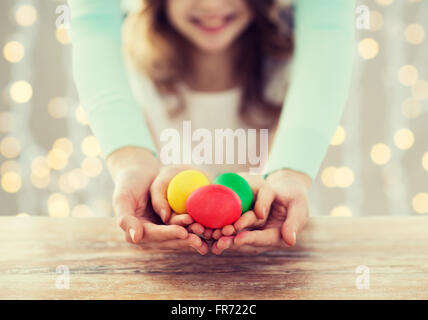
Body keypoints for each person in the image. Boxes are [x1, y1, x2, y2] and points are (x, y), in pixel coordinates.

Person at [68, 0, 355, 255]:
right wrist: (132, 164)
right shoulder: (135, 75)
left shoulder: (287, 71)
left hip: (273, 258)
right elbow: (92, 19)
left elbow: (328, 21)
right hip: (167, 261)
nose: (211, 4)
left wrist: (290, 175)